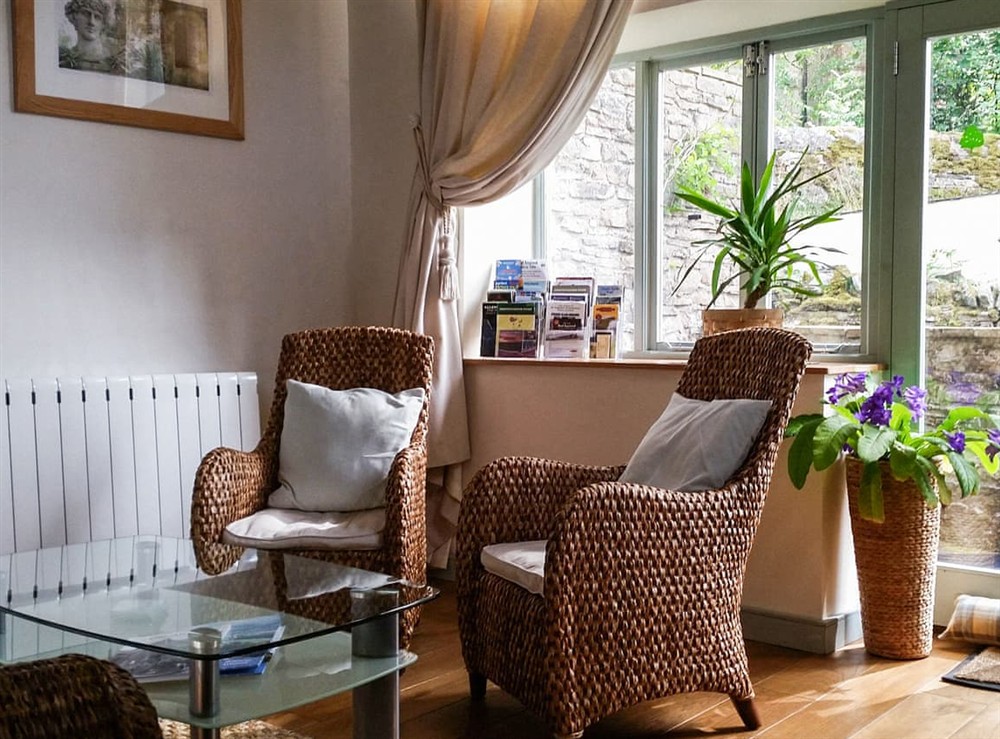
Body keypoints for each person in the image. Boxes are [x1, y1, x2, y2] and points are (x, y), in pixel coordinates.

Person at [59, 0, 122, 74]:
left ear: (103, 24)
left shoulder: (113, 62)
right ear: (74, 17)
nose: (91, 22)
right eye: (86, 14)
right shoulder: (64, 59)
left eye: (97, 17)